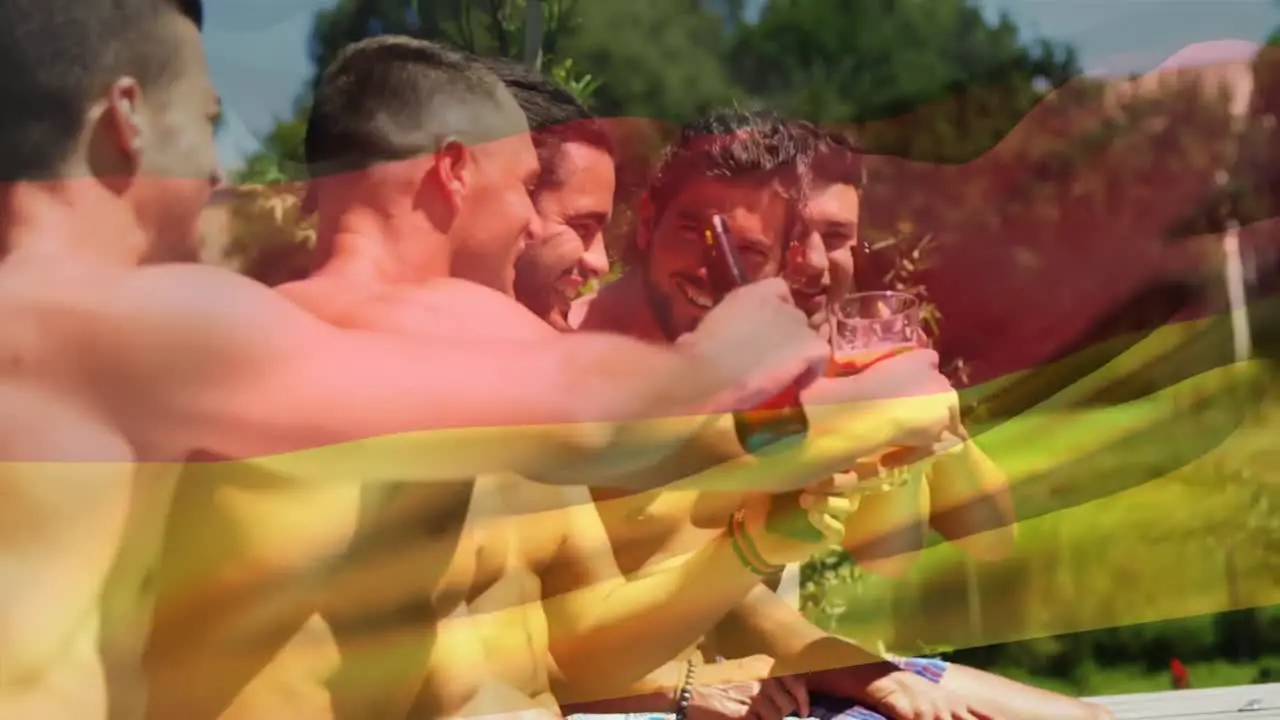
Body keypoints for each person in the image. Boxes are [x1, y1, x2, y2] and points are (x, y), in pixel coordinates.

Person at [0, 5, 945, 719]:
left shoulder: (207, 336)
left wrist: (782, 455)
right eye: (526, 187)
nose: (218, 169)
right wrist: (772, 362)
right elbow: (613, 424)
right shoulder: (142, 326)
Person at [543, 110, 1111, 719]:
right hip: (695, 687)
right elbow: (702, 588)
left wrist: (933, 431)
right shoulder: (585, 365)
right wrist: (862, 674)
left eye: (837, 237)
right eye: (795, 238)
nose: (815, 262)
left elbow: (942, 544)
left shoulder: (777, 358)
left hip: (776, 669)